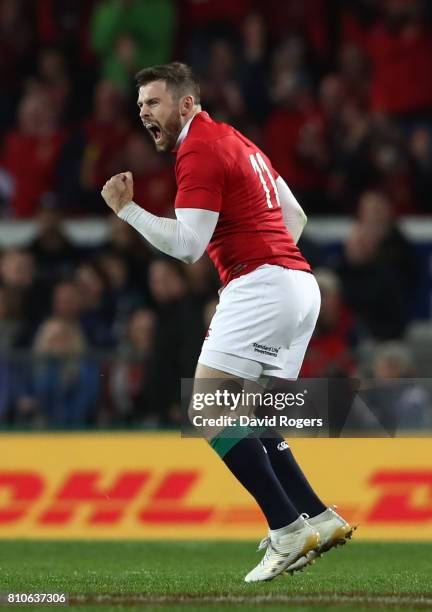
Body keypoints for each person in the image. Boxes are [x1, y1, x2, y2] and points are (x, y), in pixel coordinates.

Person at [101, 62, 354, 582]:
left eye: (154, 102)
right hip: (297, 283)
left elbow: (189, 247)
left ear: (186, 104)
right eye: (141, 104)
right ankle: (317, 516)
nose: (144, 113)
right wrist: (267, 266)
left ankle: (286, 528)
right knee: (248, 412)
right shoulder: (238, 141)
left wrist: (126, 209)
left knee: (208, 407)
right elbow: (296, 216)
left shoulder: (198, 148)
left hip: (264, 283)